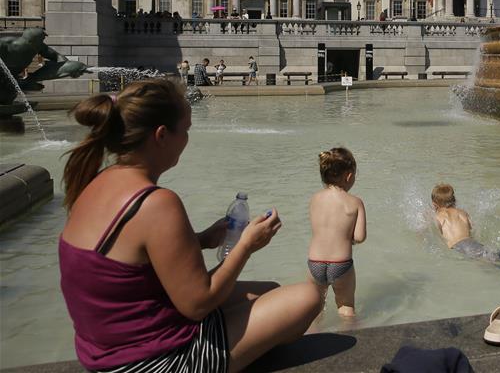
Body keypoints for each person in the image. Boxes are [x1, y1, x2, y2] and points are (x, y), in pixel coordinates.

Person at [58, 78, 321, 372]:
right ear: (161, 135)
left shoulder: (95, 181)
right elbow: (198, 304)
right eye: (185, 130)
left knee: (271, 291)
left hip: (108, 349)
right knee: (308, 297)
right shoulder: (156, 203)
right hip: (151, 362)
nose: (187, 139)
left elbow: (126, 259)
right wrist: (246, 246)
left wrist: (203, 239)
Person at [307, 147, 366, 317]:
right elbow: (359, 237)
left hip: (315, 262)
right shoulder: (355, 202)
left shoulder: (315, 199)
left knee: (313, 308)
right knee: (346, 306)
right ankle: (352, 339)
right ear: (348, 176)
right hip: (341, 264)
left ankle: (312, 339)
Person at [431, 184, 500, 265]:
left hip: (459, 246)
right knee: (493, 255)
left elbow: (438, 235)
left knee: (490, 263)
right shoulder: (462, 212)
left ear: (434, 205)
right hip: (472, 243)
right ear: (454, 200)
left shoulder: (438, 216)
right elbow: (472, 228)